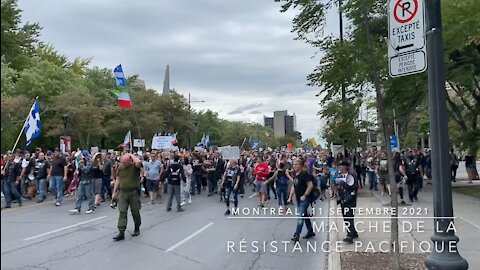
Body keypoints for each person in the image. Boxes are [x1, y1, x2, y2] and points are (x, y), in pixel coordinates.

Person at [112, 153, 143, 241]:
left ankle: (137, 227)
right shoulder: (121, 167)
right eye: (122, 162)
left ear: (130, 161)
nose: (123, 164)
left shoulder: (134, 166)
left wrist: (130, 154)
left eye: (125, 162)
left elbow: (139, 162)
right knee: (122, 211)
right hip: (123, 192)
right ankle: (121, 232)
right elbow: (118, 179)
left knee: (135, 211)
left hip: (133, 192)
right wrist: (114, 192)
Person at [287, 158, 315, 242]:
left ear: (301, 165)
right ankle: (310, 231)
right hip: (298, 198)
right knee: (305, 215)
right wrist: (290, 197)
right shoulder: (296, 174)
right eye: (294, 164)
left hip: (305, 198)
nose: (294, 166)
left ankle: (297, 234)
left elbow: (310, 185)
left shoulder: (305, 174)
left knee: (300, 216)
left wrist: (305, 195)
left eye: (296, 164)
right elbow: (294, 186)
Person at [336, 161, 358, 244]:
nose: (340, 168)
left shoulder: (352, 175)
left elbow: (354, 187)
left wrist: (344, 184)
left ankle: (350, 236)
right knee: (345, 217)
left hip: (350, 200)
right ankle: (354, 233)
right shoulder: (340, 175)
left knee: (349, 217)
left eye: (341, 166)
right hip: (342, 199)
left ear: (345, 167)